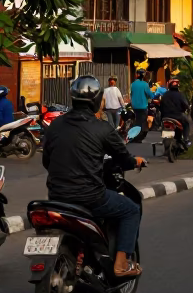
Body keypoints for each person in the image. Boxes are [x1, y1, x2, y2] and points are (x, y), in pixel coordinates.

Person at [43, 74, 146, 278]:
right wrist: (136, 161)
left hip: (56, 196)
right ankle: (121, 263)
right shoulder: (102, 128)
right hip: (90, 196)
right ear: (97, 100)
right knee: (131, 210)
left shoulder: (55, 125)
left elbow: (47, 161)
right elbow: (124, 159)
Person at [159, 78, 192, 145]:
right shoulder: (180, 95)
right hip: (178, 116)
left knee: (162, 125)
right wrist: (187, 108)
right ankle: (186, 139)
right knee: (186, 123)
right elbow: (186, 105)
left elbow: (161, 106)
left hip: (166, 116)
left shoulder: (165, 95)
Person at [129, 71, 153, 142]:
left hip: (134, 107)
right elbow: (150, 95)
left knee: (137, 121)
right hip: (143, 107)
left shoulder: (132, 84)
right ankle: (138, 137)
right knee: (142, 122)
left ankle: (135, 135)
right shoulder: (145, 84)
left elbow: (131, 94)